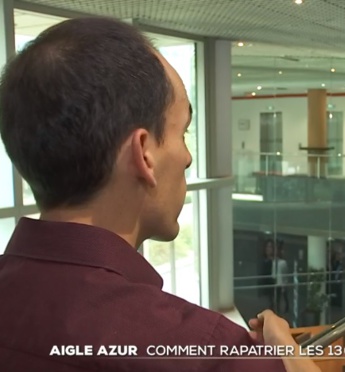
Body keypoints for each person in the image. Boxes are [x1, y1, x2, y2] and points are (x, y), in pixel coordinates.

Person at [0, 17, 319, 372]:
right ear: (144, 153)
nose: (188, 157)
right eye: (182, 132)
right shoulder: (209, 354)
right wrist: (288, 355)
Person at [272, 242, 290, 313]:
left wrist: (284, 284)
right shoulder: (274, 262)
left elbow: (285, 274)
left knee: (282, 298)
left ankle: (283, 310)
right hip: (276, 283)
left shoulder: (283, 262)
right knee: (277, 298)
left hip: (281, 283)